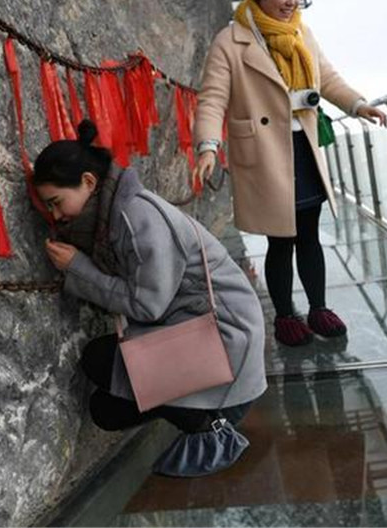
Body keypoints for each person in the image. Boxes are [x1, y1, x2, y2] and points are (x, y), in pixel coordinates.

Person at [33, 120, 266, 477]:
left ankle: (209, 424)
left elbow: (148, 305)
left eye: (57, 202)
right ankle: (194, 405)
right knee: (104, 410)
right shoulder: (115, 212)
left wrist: (77, 268)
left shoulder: (136, 216)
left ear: (89, 182)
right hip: (203, 329)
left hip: (224, 339)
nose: (56, 214)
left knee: (98, 360)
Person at [193, 0, 387, 347]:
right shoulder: (230, 41)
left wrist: (357, 103)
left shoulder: (302, 33)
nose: (292, 1)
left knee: (310, 233)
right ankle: (285, 315)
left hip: (305, 148)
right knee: (281, 239)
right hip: (265, 153)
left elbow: (328, 78)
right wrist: (208, 146)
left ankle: (318, 307)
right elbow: (212, 98)